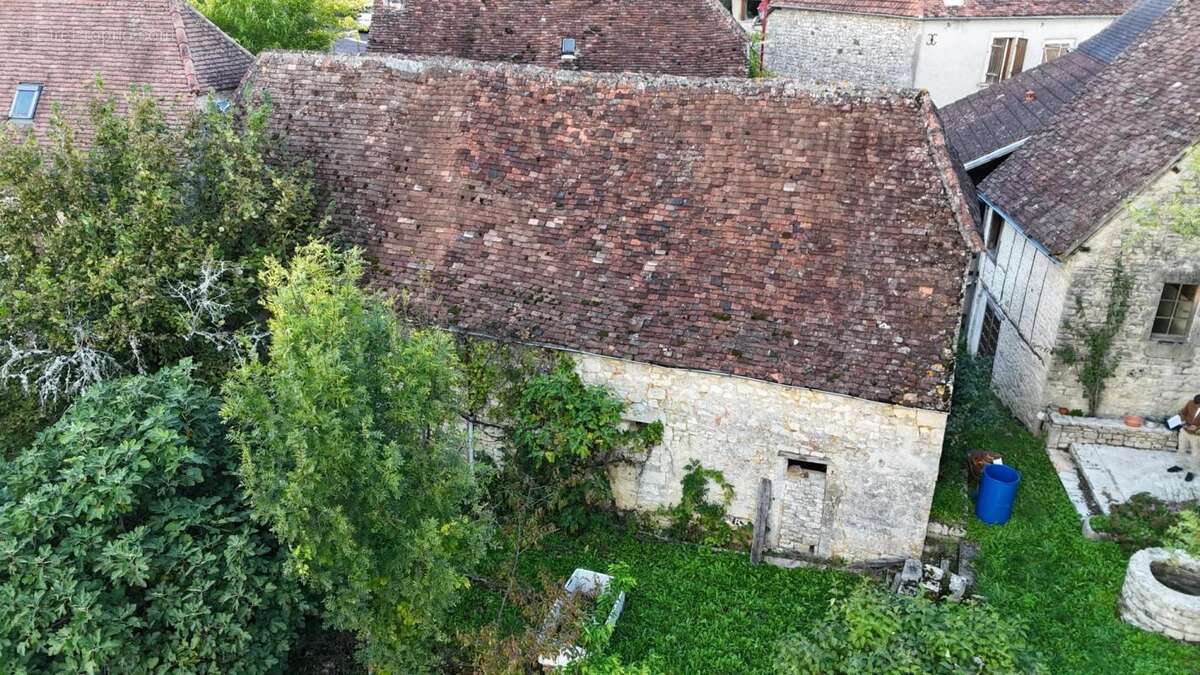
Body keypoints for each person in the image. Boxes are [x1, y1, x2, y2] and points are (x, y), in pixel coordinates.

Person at [1169, 394, 1200, 482]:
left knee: (1196, 454)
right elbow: (1183, 412)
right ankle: (1179, 465)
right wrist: (1181, 419)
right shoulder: (1191, 403)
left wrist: (1197, 428)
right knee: (1181, 449)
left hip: (1197, 436)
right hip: (1184, 430)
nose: (1196, 406)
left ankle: (1191, 471)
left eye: (1198, 405)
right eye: (1195, 404)